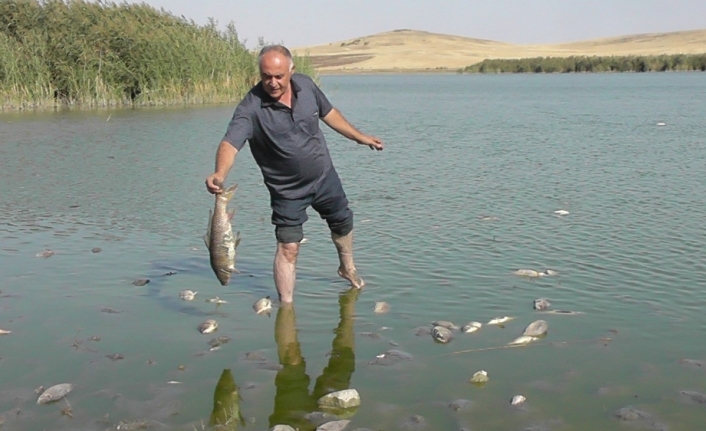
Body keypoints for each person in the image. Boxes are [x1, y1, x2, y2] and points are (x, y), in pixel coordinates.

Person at [205, 45, 383, 303]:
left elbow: (329, 114)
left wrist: (359, 137)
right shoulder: (251, 107)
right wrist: (219, 173)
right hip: (286, 191)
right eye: (266, 76)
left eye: (279, 76)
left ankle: (347, 267)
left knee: (343, 223)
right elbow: (230, 144)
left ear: (292, 71)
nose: (273, 82)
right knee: (288, 247)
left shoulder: (306, 85)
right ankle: (286, 306)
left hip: (324, 177)